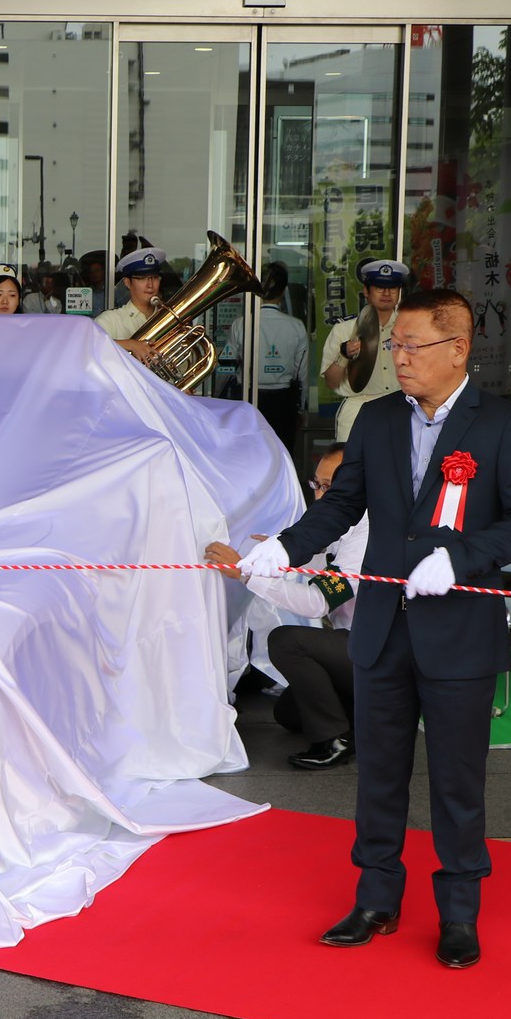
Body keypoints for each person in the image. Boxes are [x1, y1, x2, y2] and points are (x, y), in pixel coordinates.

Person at [239, 287, 511, 970]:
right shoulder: (376, 418)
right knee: (378, 774)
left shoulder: (505, 425)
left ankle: (459, 911)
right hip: (381, 626)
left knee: (457, 780)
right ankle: (376, 897)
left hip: (459, 628)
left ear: (458, 348)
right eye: (394, 345)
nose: (399, 358)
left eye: (413, 346)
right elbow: (343, 505)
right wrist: (287, 546)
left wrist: (461, 556)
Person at [207, 444, 365, 769]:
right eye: (317, 485)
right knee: (288, 714)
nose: (320, 496)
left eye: (329, 487)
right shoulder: (343, 525)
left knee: (286, 640)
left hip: (378, 652)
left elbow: (317, 602)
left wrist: (246, 575)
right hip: (352, 647)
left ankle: (335, 739)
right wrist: (276, 553)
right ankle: (364, 721)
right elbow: (322, 562)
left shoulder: (366, 532)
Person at [319, 259, 405, 444]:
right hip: (358, 407)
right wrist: (344, 356)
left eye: (393, 288)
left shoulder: (409, 327)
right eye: (379, 287)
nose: (386, 293)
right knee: (351, 461)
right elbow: (331, 382)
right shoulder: (344, 329)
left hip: (400, 406)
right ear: (366, 291)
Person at [226, 261, 309, 451]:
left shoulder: (241, 324)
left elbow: (227, 367)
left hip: (247, 398)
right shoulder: (296, 326)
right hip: (283, 401)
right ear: (284, 291)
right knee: (281, 454)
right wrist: (300, 409)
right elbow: (302, 374)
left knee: (249, 454)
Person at [93, 246, 167, 367]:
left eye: (154, 277)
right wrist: (130, 345)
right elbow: (88, 346)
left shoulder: (167, 319)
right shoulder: (110, 320)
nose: (150, 285)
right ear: (127, 283)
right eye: (142, 278)